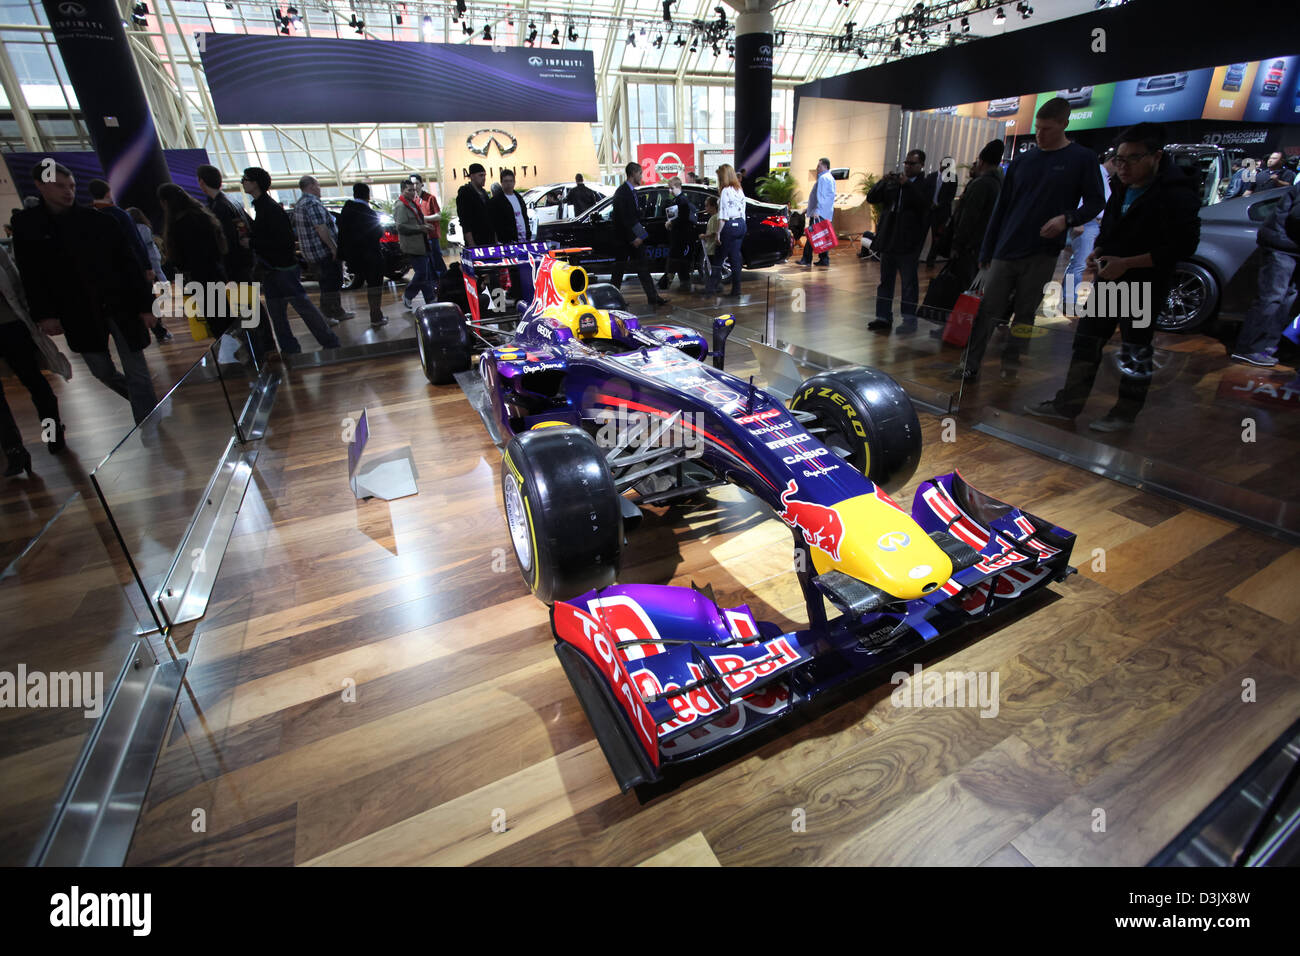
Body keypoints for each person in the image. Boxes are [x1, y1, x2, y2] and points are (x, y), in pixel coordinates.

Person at [1024, 123, 1200, 433]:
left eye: (1133, 158)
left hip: (1144, 284)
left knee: (1135, 350)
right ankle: (1068, 405)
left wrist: (1129, 263)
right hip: (1109, 279)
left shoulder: (1177, 192)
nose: (1123, 166)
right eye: (1119, 159)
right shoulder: (1121, 186)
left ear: (1156, 156)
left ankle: (1125, 413)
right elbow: (1110, 227)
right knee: (1086, 342)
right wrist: (1099, 250)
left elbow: (1183, 246)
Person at [953, 97, 1107, 380]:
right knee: (988, 309)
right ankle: (969, 365)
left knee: (1025, 314)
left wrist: (1066, 219)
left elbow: (1096, 202)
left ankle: (1011, 365)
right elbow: (1001, 209)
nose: (1040, 134)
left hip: (1042, 253)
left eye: (1047, 129)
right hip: (1005, 249)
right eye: (1038, 128)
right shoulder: (1024, 160)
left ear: (1064, 124)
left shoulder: (1081, 159)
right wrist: (986, 252)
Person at [12, 163, 159, 425]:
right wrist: (45, 314)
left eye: (70, 186)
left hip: (119, 303)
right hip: (77, 310)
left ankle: (148, 420)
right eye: (59, 186)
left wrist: (146, 305)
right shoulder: (28, 226)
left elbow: (128, 264)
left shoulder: (99, 220)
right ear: (40, 186)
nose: (68, 192)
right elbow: (31, 273)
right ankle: (144, 403)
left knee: (136, 367)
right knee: (101, 370)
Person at [241, 166, 341, 351]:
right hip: (276, 268)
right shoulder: (266, 207)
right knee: (284, 312)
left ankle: (325, 342)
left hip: (280, 268)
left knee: (299, 309)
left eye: (246, 179)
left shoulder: (271, 208)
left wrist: (253, 243)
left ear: (255, 183)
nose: (242, 182)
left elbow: (284, 240)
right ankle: (297, 347)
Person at [924, 141, 1006, 338]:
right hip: (984, 246)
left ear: (981, 160)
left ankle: (957, 328)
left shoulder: (982, 185)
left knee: (960, 288)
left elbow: (968, 218)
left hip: (970, 247)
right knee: (973, 288)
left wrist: (957, 244)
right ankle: (966, 328)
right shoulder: (999, 184)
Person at [0, 242, 69, 474]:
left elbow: (17, 283)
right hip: (10, 326)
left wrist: (33, 316)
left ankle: (52, 432)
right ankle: (14, 450)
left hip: (11, 326)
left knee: (34, 381)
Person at [196, 164, 273, 359]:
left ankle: (262, 349)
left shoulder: (219, 207)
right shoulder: (233, 202)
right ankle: (264, 347)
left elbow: (226, 241)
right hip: (243, 265)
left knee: (249, 309)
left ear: (202, 183)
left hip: (235, 267)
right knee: (250, 308)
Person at [88, 178, 172, 344]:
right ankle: (157, 330)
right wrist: (147, 267)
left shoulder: (89, 217)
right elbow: (136, 243)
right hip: (132, 268)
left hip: (106, 277)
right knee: (145, 299)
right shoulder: (119, 215)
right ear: (107, 193)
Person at [1229, 178, 1300, 367]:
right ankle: (1247, 348)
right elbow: (1297, 215)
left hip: (1292, 248)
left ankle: (1266, 346)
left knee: (1286, 299)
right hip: (1282, 246)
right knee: (1272, 297)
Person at [866, 149, 931, 333]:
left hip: (908, 243)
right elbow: (872, 198)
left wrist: (908, 186)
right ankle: (883, 316)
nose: (908, 167)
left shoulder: (924, 185)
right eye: (906, 163)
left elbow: (924, 205)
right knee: (885, 280)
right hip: (889, 239)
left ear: (921, 165)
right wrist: (883, 182)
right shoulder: (894, 184)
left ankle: (909, 320)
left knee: (909, 283)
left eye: (912, 164)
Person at [157, 183, 231, 337]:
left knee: (216, 321)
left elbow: (180, 258)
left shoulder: (178, 223)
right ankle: (241, 352)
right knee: (225, 318)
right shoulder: (202, 215)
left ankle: (231, 355)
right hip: (215, 271)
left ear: (165, 202)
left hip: (199, 277)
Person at [1062, 150, 1116, 316]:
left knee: (1086, 263)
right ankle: (1069, 301)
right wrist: (1077, 221)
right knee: (1079, 263)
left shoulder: (1106, 177)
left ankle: (1073, 300)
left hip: (1098, 224)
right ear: (1113, 160)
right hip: (1088, 222)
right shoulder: (1096, 172)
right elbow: (1079, 195)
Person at [292, 175, 352, 323]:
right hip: (322, 252)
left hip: (312, 253)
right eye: (318, 185)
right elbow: (321, 228)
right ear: (311, 186)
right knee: (330, 284)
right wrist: (334, 248)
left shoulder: (300, 204)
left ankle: (337, 311)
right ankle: (326, 315)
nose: (320, 189)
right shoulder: (312, 204)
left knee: (328, 283)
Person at [611, 162, 669, 306]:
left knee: (643, 268)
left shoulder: (632, 191)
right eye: (640, 173)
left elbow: (632, 217)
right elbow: (623, 219)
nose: (641, 176)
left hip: (633, 237)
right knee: (618, 271)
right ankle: (612, 300)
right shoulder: (622, 193)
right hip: (625, 240)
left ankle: (653, 297)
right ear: (632, 174)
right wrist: (633, 238)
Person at [335, 182, 389, 327]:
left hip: (355, 257)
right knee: (374, 287)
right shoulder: (368, 212)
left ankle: (376, 315)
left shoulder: (346, 211)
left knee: (366, 285)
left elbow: (342, 235)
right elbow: (377, 232)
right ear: (368, 195)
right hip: (371, 256)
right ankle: (376, 316)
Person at [487, 168, 535, 306]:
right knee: (510, 270)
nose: (508, 184)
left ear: (514, 182)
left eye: (510, 181)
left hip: (523, 239)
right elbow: (493, 223)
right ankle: (513, 295)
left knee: (523, 267)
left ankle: (522, 293)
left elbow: (524, 217)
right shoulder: (496, 201)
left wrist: (528, 233)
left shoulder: (519, 198)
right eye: (505, 181)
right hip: (507, 241)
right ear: (501, 183)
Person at [395, 176, 443, 311]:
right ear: (403, 190)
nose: (412, 192)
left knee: (425, 273)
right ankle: (409, 295)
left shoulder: (412, 204)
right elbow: (401, 226)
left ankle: (430, 298)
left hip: (422, 243)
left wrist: (425, 226)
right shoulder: (401, 206)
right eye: (409, 190)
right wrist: (420, 228)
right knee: (421, 273)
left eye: (413, 189)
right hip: (413, 246)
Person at [707, 163, 747, 297]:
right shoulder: (739, 189)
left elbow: (723, 215)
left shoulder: (725, 191)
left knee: (718, 257)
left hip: (729, 226)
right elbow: (743, 211)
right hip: (741, 225)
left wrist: (718, 233)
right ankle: (737, 290)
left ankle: (711, 289)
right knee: (735, 258)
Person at [658, 176, 695, 293]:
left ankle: (679, 283)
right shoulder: (678, 200)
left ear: (677, 187)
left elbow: (683, 218)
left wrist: (671, 223)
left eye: (671, 188)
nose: (669, 191)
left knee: (677, 260)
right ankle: (683, 282)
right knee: (679, 261)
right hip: (679, 236)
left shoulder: (682, 201)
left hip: (681, 237)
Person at [924, 156, 959, 267]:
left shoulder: (952, 178)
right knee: (922, 234)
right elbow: (925, 194)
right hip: (928, 210)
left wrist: (938, 205)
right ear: (940, 164)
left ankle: (931, 260)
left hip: (941, 212)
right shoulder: (931, 177)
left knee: (937, 238)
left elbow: (950, 197)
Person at [801, 157, 835, 267]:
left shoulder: (824, 178)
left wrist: (817, 210)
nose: (817, 168)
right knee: (821, 236)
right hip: (824, 212)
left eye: (819, 166)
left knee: (812, 235)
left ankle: (807, 259)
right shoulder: (829, 177)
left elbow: (821, 196)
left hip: (819, 213)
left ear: (825, 166)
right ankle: (824, 259)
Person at [411, 173, 447, 275]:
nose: (414, 186)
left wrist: (423, 218)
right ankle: (434, 284)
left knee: (436, 260)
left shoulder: (430, 198)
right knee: (427, 263)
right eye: (412, 184)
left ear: (421, 184)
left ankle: (443, 281)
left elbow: (438, 216)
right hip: (420, 236)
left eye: (416, 183)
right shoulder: (413, 200)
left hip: (432, 235)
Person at [455, 163, 495, 248]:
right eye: (481, 175)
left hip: (489, 239)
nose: (484, 178)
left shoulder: (483, 192)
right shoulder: (465, 192)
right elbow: (465, 221)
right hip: (476, 239)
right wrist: (471, 244)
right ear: (472, 176)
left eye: (484, 175)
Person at [126, 207, 165, 279]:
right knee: (158, 273)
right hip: (153, 255)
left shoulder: (136, 228)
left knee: (155, 274)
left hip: (148, 256)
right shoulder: (145, 227)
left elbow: (141, 243)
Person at [701, 195, 721, 284]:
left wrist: (704, 236)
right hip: (713, 248)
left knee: (710, 268)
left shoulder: (713, 218)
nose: (705, 208)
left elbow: (713, 233)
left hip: (711, 248)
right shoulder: (717, 217)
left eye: (707, 205)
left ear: (713, 206)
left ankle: (712, 286)